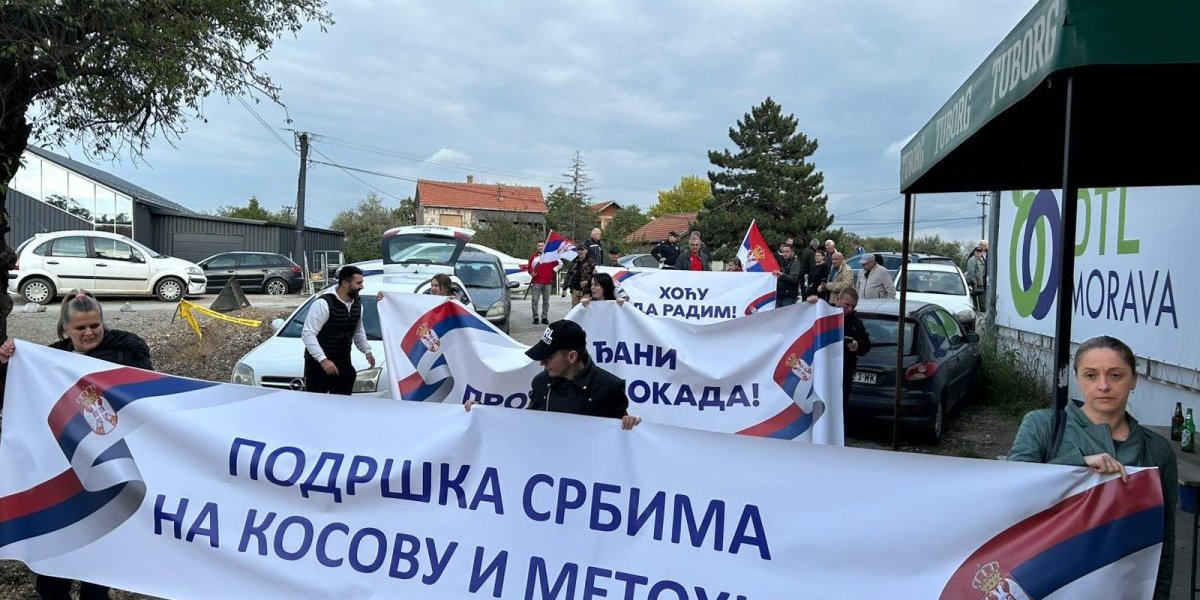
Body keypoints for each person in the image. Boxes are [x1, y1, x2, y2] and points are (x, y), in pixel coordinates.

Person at [0, 289, 150, 600]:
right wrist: (7, 362)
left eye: (95, 325)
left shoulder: (126, 351)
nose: (89, 332)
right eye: (80, 327)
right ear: (66, 329)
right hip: (61, 471)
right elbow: (16, 395)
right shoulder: (46, 361)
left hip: (108, 468)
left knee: (99, 559)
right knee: (56, 559)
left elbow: (144, 390)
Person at [1007, 336, 1175, 600]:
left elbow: (1164, 540)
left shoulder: (1157, 450)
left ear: (1134, 380)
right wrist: (1077, 463)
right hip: (1049, 585)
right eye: (1091, 375)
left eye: (1116, 375)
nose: (1103, 385)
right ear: (1077, 378)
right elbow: (1012, 496)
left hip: (1122, 589)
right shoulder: (1043, 426)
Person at [465, 320, 640, 430]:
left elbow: (621, 434)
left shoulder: (610, 387)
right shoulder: (540, 382)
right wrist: (484, 413)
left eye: (548, 357)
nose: (542, 363)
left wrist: (631, 424)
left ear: (571, 357)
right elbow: (525, 423)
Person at [302, 265, 375, 395]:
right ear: (345, 283)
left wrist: (367, 351)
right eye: (358, 283)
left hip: (343, 362)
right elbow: (308, 334)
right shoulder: (323, 303)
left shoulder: (358, 304)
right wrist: (323, 360)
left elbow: (357, 330)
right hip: (318, 365)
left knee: (343, 402)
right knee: (316, 403)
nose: (362, 287)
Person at [809, 288, 870, 412]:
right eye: (847, 304)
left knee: (839, 407)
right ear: (839, 299)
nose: (850, 309)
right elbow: (806, 318)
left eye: (853, 306)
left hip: (844, 373)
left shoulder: (856, 323)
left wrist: (857, 346)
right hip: (822, 370)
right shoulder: (825, 313)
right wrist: (810, 302)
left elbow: (867, 346)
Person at [528, 241, 557, 325]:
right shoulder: (533, 256)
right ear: (537, 246)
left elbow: (559, 264)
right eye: (539, 245)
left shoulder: (550, 256)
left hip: (547, 282)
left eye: (542, 245)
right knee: (535, 300)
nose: (540, 247)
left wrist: (553, 271)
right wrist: (531, 273)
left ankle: (544, 317)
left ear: (545, 246)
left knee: (546, 301)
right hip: (536, 281)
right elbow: (529, 267)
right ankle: (535, 317)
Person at [772, 243, 802, 307]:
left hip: (789, 297)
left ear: (792, 253)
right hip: (780, 295)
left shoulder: (795, 263)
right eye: (783, 252)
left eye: (787, 251)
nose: (785, 254)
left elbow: (793, 279)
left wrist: (781, 274)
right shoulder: (784, 262)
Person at [965, 246, 985, 313]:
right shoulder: (971, 260)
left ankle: (981, 312)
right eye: (977, 251)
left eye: (980, 251)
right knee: (975, 299)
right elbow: (971, 272)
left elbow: (983, 271)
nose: (979, 253)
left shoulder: (981, 260)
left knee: (981, 299)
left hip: (981, 282)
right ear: (974, 252)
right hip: (974, 283)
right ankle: (976, 312)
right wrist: (974, 280)